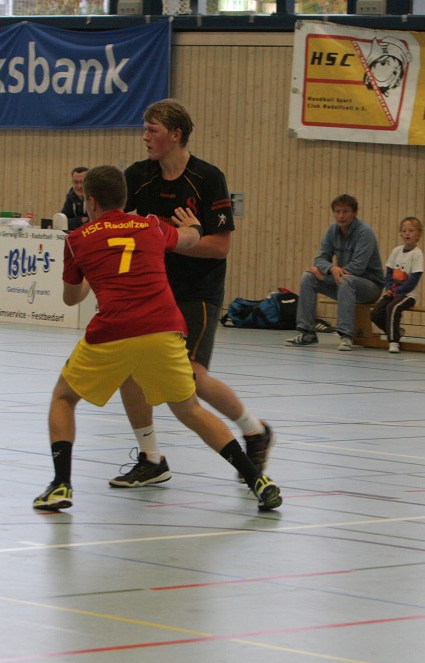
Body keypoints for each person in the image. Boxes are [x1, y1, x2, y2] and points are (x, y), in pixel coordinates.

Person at [31, 165, 281, 512]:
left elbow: (71, 299)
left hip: (114, 331)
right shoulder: (150, 225)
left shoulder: (78, 239)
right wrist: (192, 226)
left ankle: (61, 484)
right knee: (189, 409)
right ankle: (257, 479)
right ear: (124, 198)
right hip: (163, 328)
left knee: (63, 397)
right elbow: (190, 239)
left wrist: (91, 271)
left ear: (89, 201)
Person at [113, 99, 273, 489]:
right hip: (151, 290)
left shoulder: (207, 179)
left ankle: (254, 431)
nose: (145, 137)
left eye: (153, 130)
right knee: (130, 372)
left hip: (196, 291)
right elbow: (117, 226)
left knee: (190, 377)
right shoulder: (138, 177)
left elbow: (219, 247)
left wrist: (178, 240)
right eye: (145, 129)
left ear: (176, 134)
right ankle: (151, 458)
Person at [286, 194, 383, 351]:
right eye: (337, 212)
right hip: (342, 281)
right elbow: (320, 258)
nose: (341, 216)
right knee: (308, 277)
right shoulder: (332, 231)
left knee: (347, 280)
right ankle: (307, 332)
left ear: (355, 213)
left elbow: (357, 267)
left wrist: (327, 275)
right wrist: (331, 268)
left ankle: (345, 335)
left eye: (345, 211)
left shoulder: (365, 233)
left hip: (369, 286)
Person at [370, 216, 424, 353]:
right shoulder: (396, 251)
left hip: (407, 295)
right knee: (375, 313)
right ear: (400, 233)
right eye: (404, 230)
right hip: (392, 292)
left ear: (418, 234)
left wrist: (399, 292)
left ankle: (393, 341)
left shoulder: (417, 254)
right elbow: (389, 273)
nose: (407, 233)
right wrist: (389, 288)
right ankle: (395, 331)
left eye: (411, 230)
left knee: (392, 308)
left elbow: (414, 279)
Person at [59, 166, 89, 230]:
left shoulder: (97, 197)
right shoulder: (71, 197)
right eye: (76, 182)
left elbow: (97, 221)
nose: (79, 186)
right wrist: (80, 220)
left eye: (82, 182)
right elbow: (62, 221)